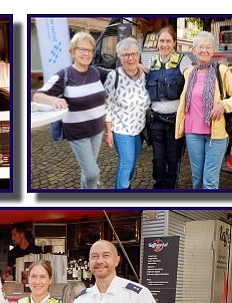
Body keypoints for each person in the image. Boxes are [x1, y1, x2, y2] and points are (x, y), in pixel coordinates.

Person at [33, 32, 107, 189]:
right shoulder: (64, 74)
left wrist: (137, 66)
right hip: (78, 132)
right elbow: (38, 96)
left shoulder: (96, 72)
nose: (86, 54)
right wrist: (54, 99)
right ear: (73, 51)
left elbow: (118, 74)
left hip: (97, 130)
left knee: (88, 169)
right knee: (93, 172)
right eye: (82, 49)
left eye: (90, 50)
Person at [175, 31, 232, 190]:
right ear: (194, 50)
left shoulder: (222, 71)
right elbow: (175, 64)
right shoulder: (190, 73)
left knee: (210, 181)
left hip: (217, 135)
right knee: (197, 179)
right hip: (193, 133)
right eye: (200, 47)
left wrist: (222, 105)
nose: (204, 50)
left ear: (213, 51)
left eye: (208, 47)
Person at [146, 25, 191, 188]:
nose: (164, 44)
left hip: (174, 122)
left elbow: (190, 75)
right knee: (158, 159)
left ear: (174, 43)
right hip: (156, 122)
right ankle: (159, 188)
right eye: (161, 41)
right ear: (157, 42)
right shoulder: (152, 62)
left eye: (168, 41)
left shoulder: (182, 60)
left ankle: (170, 191)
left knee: (173, 158)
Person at [104, 37, 151, 189]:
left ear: (138, 55)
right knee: (127, 161)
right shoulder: (114, 76)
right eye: (125, 55)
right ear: (119, 57)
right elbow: (107, 105)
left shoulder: (146, 75)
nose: (130, 58)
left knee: (133, 161)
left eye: (133, 54)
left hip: (139, 129)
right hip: (121, 129)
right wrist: (108, 132)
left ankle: (126, 185)